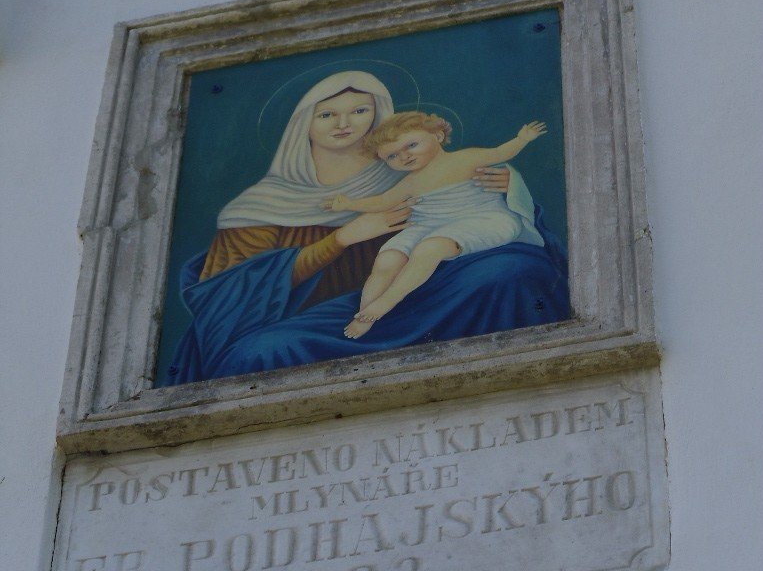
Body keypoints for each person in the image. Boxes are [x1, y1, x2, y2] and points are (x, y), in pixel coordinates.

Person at [161, 71, 568, 385]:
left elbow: (493, 218)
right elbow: (224, 297)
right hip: (333, 317)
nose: (344, 123)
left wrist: (510, 184)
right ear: (302, 124)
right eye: (326, 114)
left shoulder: (408, 171)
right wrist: (340, 239)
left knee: (514, 271)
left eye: (359, 111)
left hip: (436, 289)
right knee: (257, 353)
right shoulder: (260, 205)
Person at [323, 111, 547, 338]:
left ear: (438, 136)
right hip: (428, 225)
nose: (404, 156)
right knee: (387, 258)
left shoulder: (467, 157)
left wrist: (522, 139)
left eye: (411, 145)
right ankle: (364, 314)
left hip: (483, 218)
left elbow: (500, 153)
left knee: (430, 248)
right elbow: (382, 202)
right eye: (392, 156)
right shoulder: (410, 182)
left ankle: (384, 304)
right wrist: (349, 204)